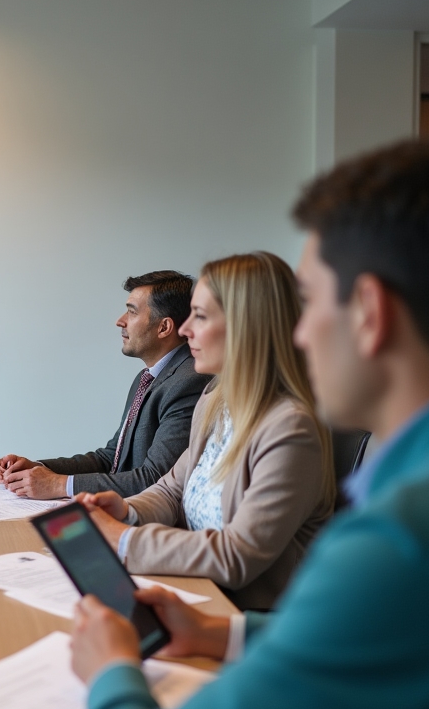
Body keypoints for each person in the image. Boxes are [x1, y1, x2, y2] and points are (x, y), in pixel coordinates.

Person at [70, 140, 429, 709]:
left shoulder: (398, 541)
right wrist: (222, 633)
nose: (301, 334)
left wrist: (110, 667)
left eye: (313, 305)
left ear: (367, 314)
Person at [75, 252, 335, 610]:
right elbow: (172, 487)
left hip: (248, 620)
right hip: (197, 595)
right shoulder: (216, 399)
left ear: (247, 325)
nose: (184, 330)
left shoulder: (290, 428)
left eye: (199, 316)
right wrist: (126, 510)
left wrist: (124, 541)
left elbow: (236, 556)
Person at [0, 271, 210, 499]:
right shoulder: (148, 377)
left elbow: (154, 479)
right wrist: (38, 469)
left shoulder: (189, 381)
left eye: (132, 312)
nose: (120, 321)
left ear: (164, 327)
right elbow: (111, 457)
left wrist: (59, 485)